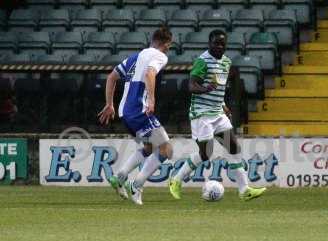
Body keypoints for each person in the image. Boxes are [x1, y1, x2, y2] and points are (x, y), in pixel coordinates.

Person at [169, 29, 266, 201]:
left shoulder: (226, 62)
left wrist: (223, 105)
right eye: (216, 43)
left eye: (222, 43)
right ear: (209, 43)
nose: (219, 46)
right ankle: (176, 180)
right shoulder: (203, 61)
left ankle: (244, 190)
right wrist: (205, 89)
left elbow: (219, 88)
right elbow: (191, 86)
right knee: (206, 154)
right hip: (201, 114)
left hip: (217, 113)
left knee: (234, 147)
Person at [98, 27, 173, 205]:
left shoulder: (135, 57)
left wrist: (110, 104)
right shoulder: (160, 55)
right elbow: (149, 73)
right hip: (139, 109)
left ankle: (120, 177)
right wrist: (152, 99)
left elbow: (111, 77)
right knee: (166, 149)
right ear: (167, 44)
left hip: (124, 113)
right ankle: (137, 185)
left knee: (148, 147)